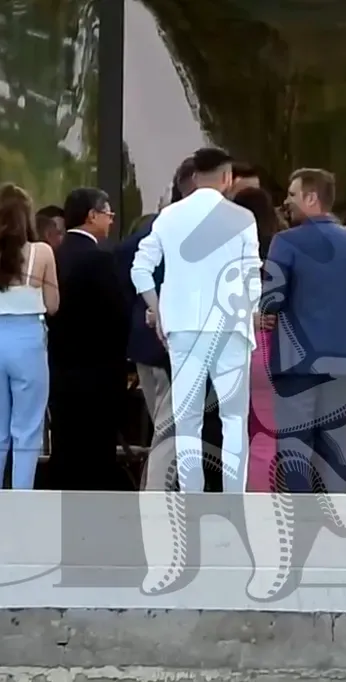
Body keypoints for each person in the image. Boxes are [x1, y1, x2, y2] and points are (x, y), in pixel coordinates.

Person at [132, 146, 261, 493]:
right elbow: (252, 275)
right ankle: (234, 495)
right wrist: (250, 312)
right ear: (227, 177)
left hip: (184, 327)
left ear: (194, 176)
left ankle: (193, 495)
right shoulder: (242, 218)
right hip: (230, 326)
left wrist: (157, 308)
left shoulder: (169, 216)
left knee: (187, 419)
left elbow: (140, 269)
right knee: (234, 418)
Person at [264, 168, 346, 494]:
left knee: (295, 448)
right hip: (344, 360)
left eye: (292, 194)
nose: (287, 202)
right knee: (334, 446)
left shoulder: (285, 242)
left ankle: (300, 516)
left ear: (311, 197)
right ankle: (336, 514)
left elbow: (271, 300)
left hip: (295, 362)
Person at [0, 184, 59, 489]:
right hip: (27, 339)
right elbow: (53, 304)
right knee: (27, 428)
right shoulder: (42, 253)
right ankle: (22, 496)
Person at [116, 158, 196, 490]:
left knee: (165, 424)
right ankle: (157, 493)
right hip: (170, 346)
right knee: (170, 426)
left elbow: (124, 276)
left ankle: (160, 489)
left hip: (145, 344)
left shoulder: (147, 234)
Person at [45, 187, 128, 490]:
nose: (111, 220)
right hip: (97, 371)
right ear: (92, 215)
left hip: (59, 368)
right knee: (96, 450)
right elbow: (117, 315)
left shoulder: (54, 255)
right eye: (108, 213)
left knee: (65, 443)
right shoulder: (99, 259)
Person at [231, 185, 283, 491]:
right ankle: (262, 501)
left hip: (234, 347)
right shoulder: (281, 249)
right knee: (265, 433)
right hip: (269, 345)